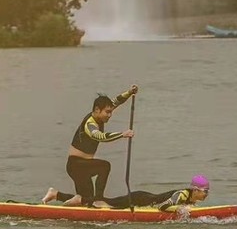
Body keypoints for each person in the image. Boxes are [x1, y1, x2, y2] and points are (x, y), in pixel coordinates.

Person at [61, 86, 138, 208]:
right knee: (104, 166)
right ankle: (99, 200)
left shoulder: (100, 116)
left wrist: (129, 93)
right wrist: (122, 134)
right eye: (107, 112)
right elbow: (100, 137)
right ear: (97, 110)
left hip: (82, 166)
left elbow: (117, 101)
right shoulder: (90, 124)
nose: (110, 115)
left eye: (111, 112)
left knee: (87, 201)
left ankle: (57, 195)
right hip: (76, 165)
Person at [41, 175, 211, 212]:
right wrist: (183, 210)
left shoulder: (189, 197)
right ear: (195, 190)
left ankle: (57, 195)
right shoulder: (182, 194)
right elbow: (163, 207)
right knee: (104, 203)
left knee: (105, 202)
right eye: (204, 192)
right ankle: (61, 195)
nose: (205, 195)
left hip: (145, 197)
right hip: (139, 198)